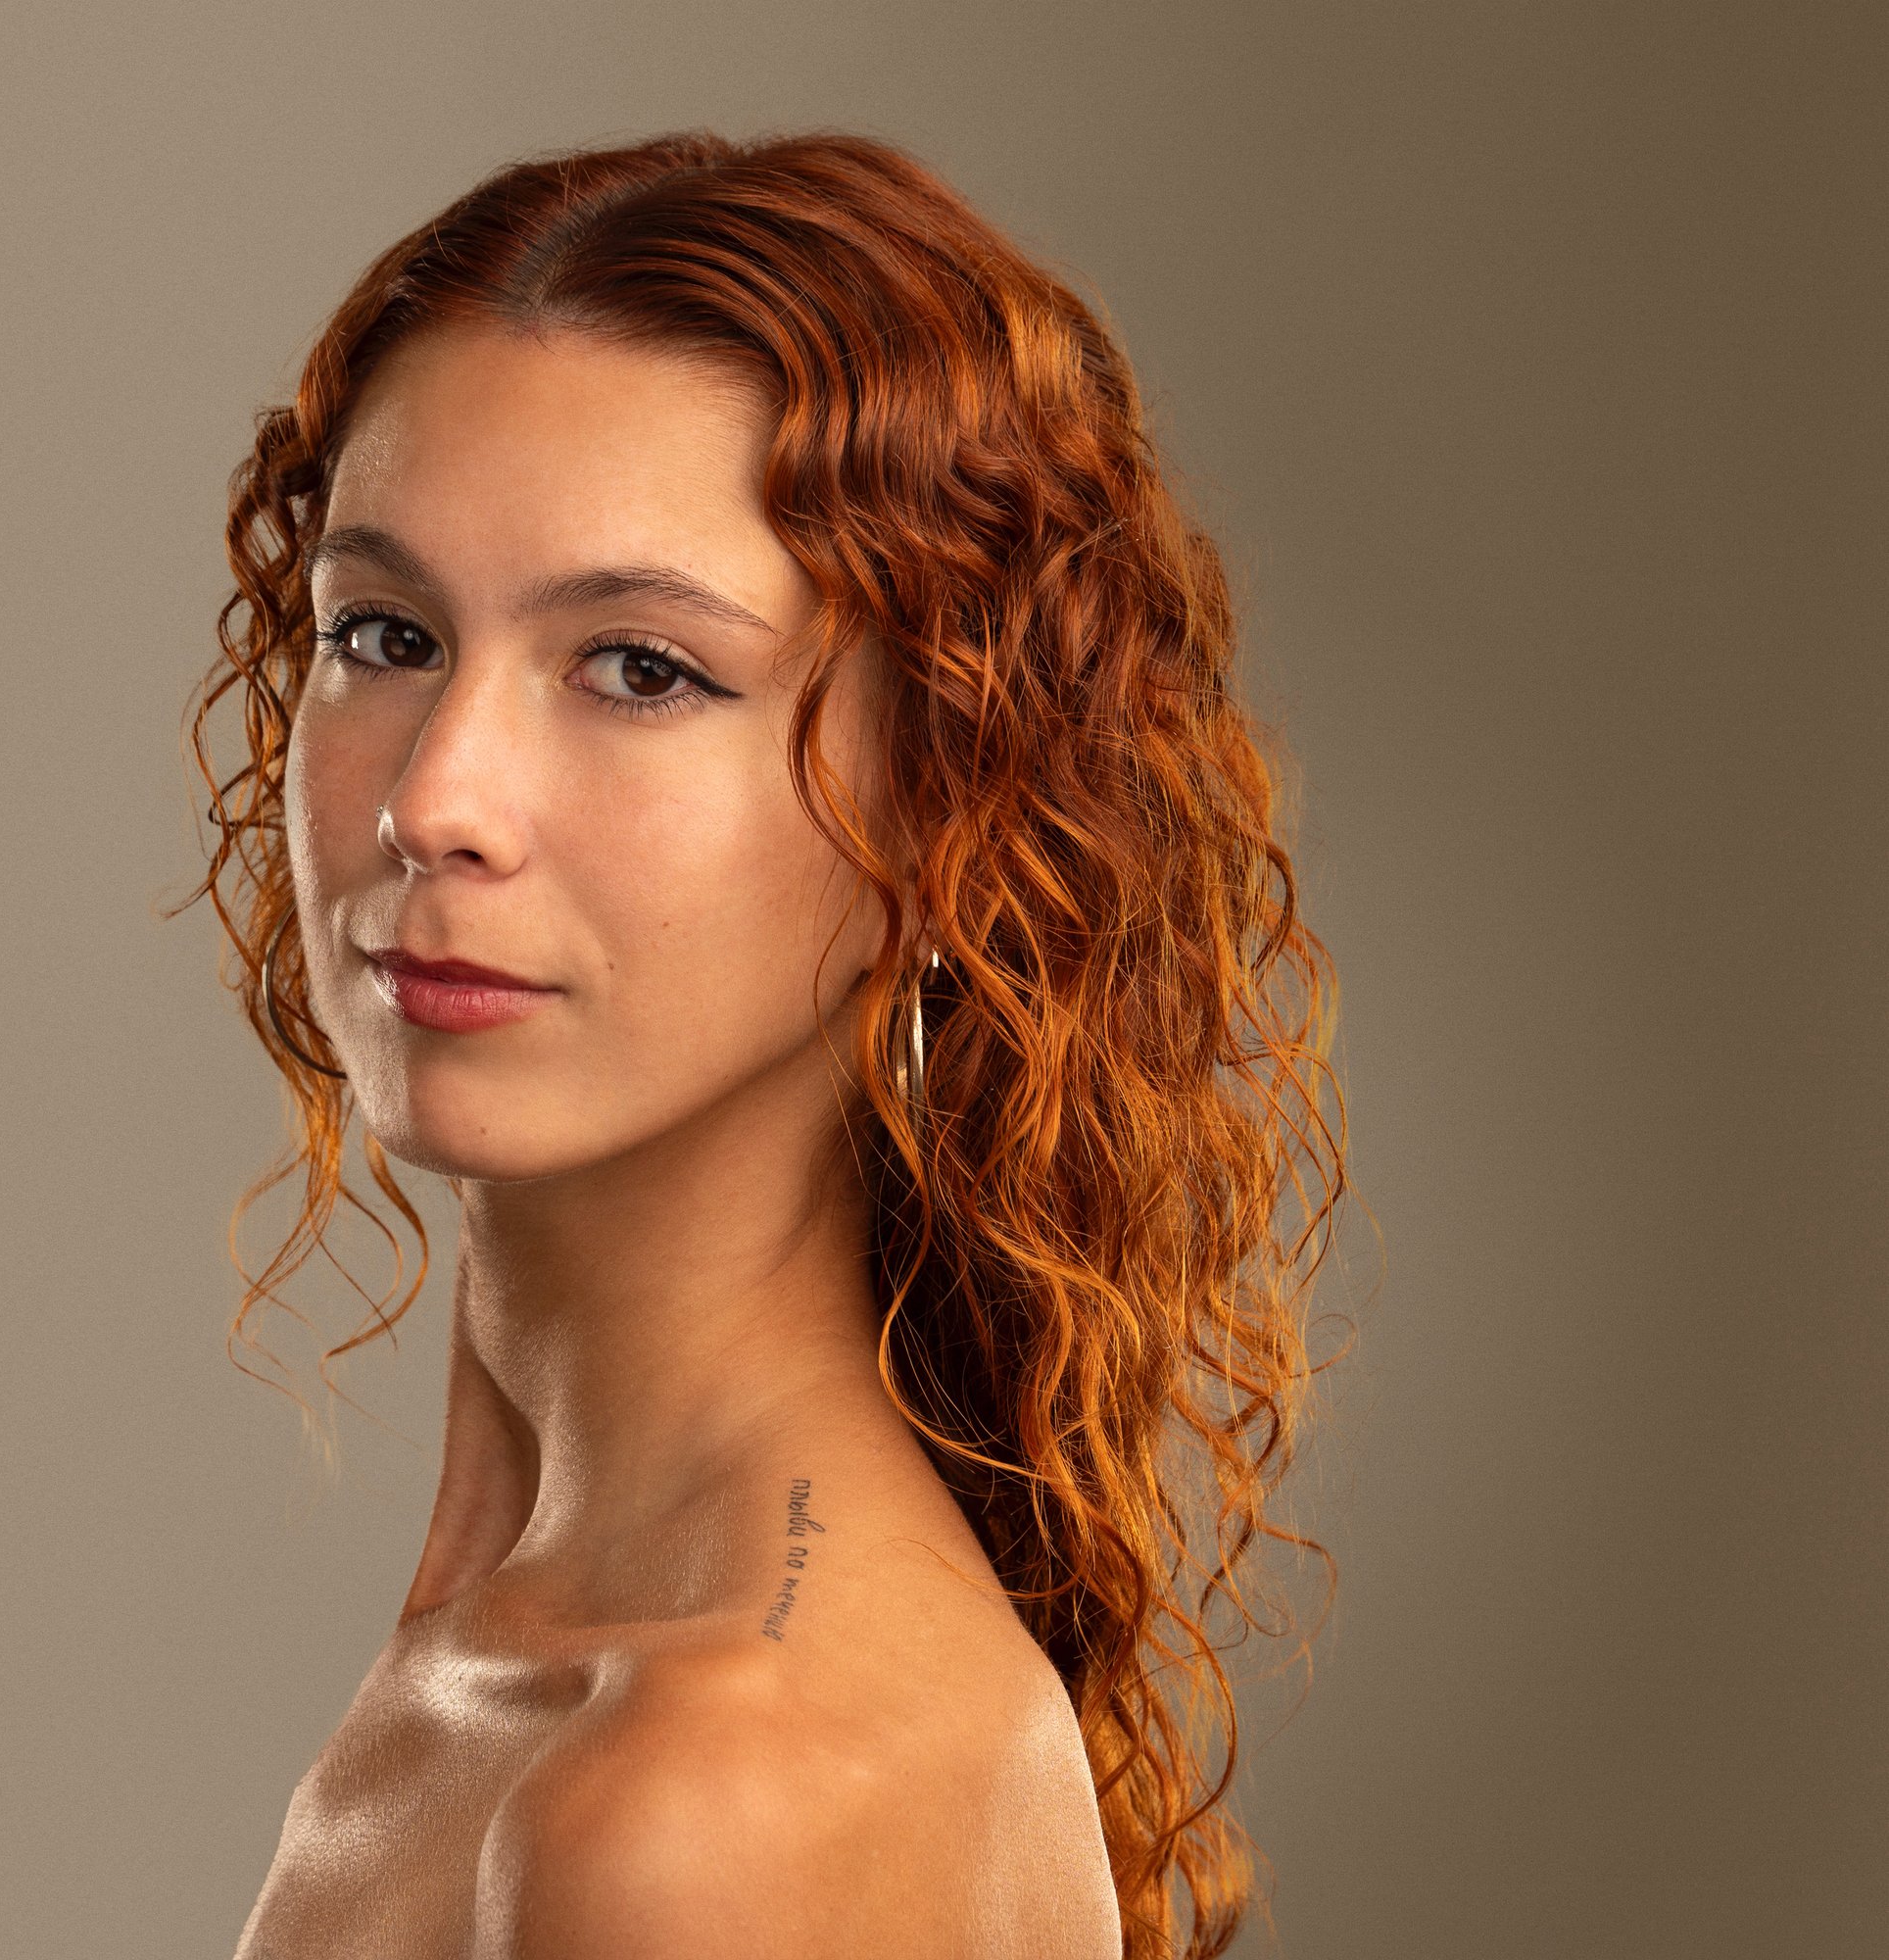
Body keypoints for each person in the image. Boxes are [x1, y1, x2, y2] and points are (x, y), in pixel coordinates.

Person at [184, 130, 1343, 1960]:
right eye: (386, 633)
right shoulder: (548, 1646)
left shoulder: (711, 1795)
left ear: (946, 805)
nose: (438, 800)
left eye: (641, 667)